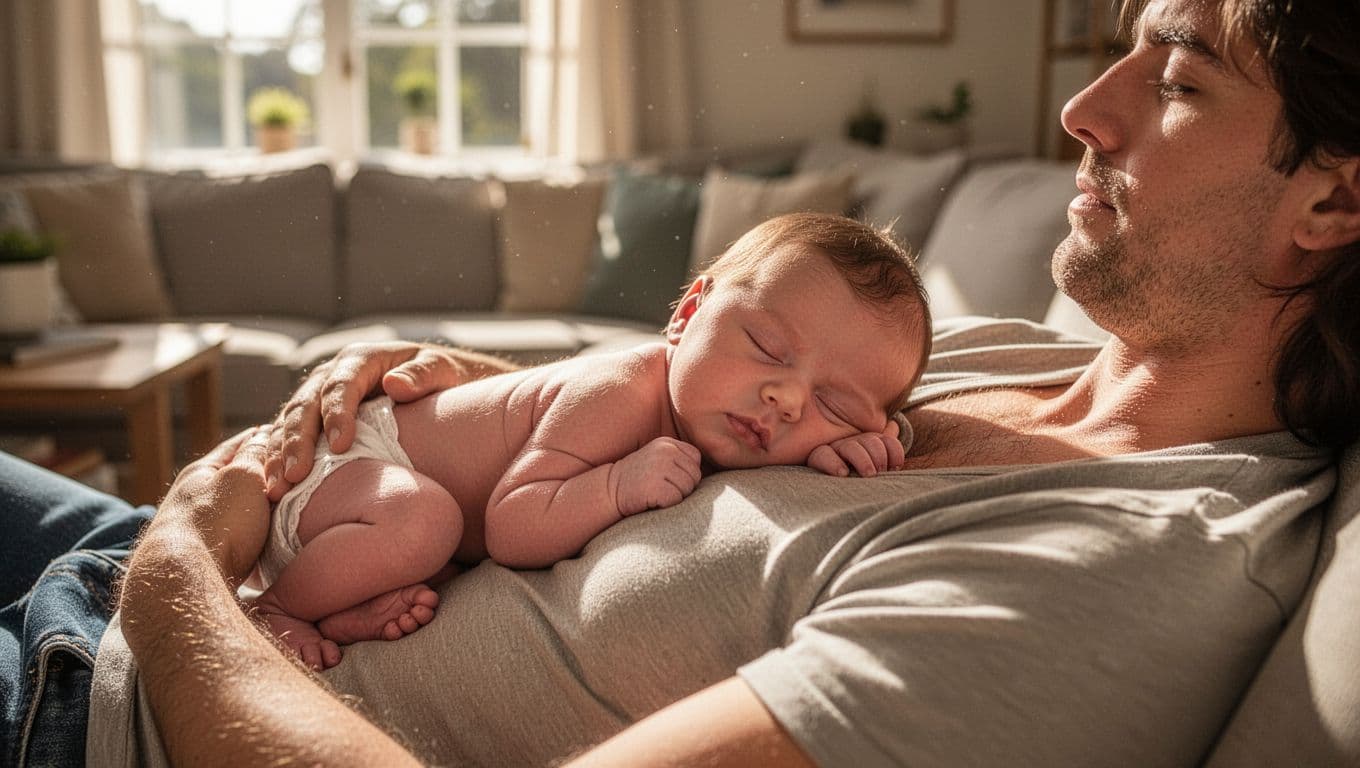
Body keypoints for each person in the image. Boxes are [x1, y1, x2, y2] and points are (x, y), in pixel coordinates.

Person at [5, 0, 1360, 765]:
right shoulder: (1026, 357)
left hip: (126, 706)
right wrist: (450, 401)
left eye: (1178, 78)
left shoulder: (1116, 578)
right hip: (183, 577)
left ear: (1333, 204)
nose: (1085, 106)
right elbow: (700, 413)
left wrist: (183, 564)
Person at [251, 213, 930, 670]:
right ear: (690, 314)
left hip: (372, 519)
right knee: (423, 520)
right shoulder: (625, 389)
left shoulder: (739, 417)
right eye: (766, 346)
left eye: (835, 405)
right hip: (350, 468)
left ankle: (345, 606)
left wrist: (856, 447)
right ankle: (277, 608)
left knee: (432, 549)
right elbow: (514, 524)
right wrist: (617, 485)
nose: (787, 399)